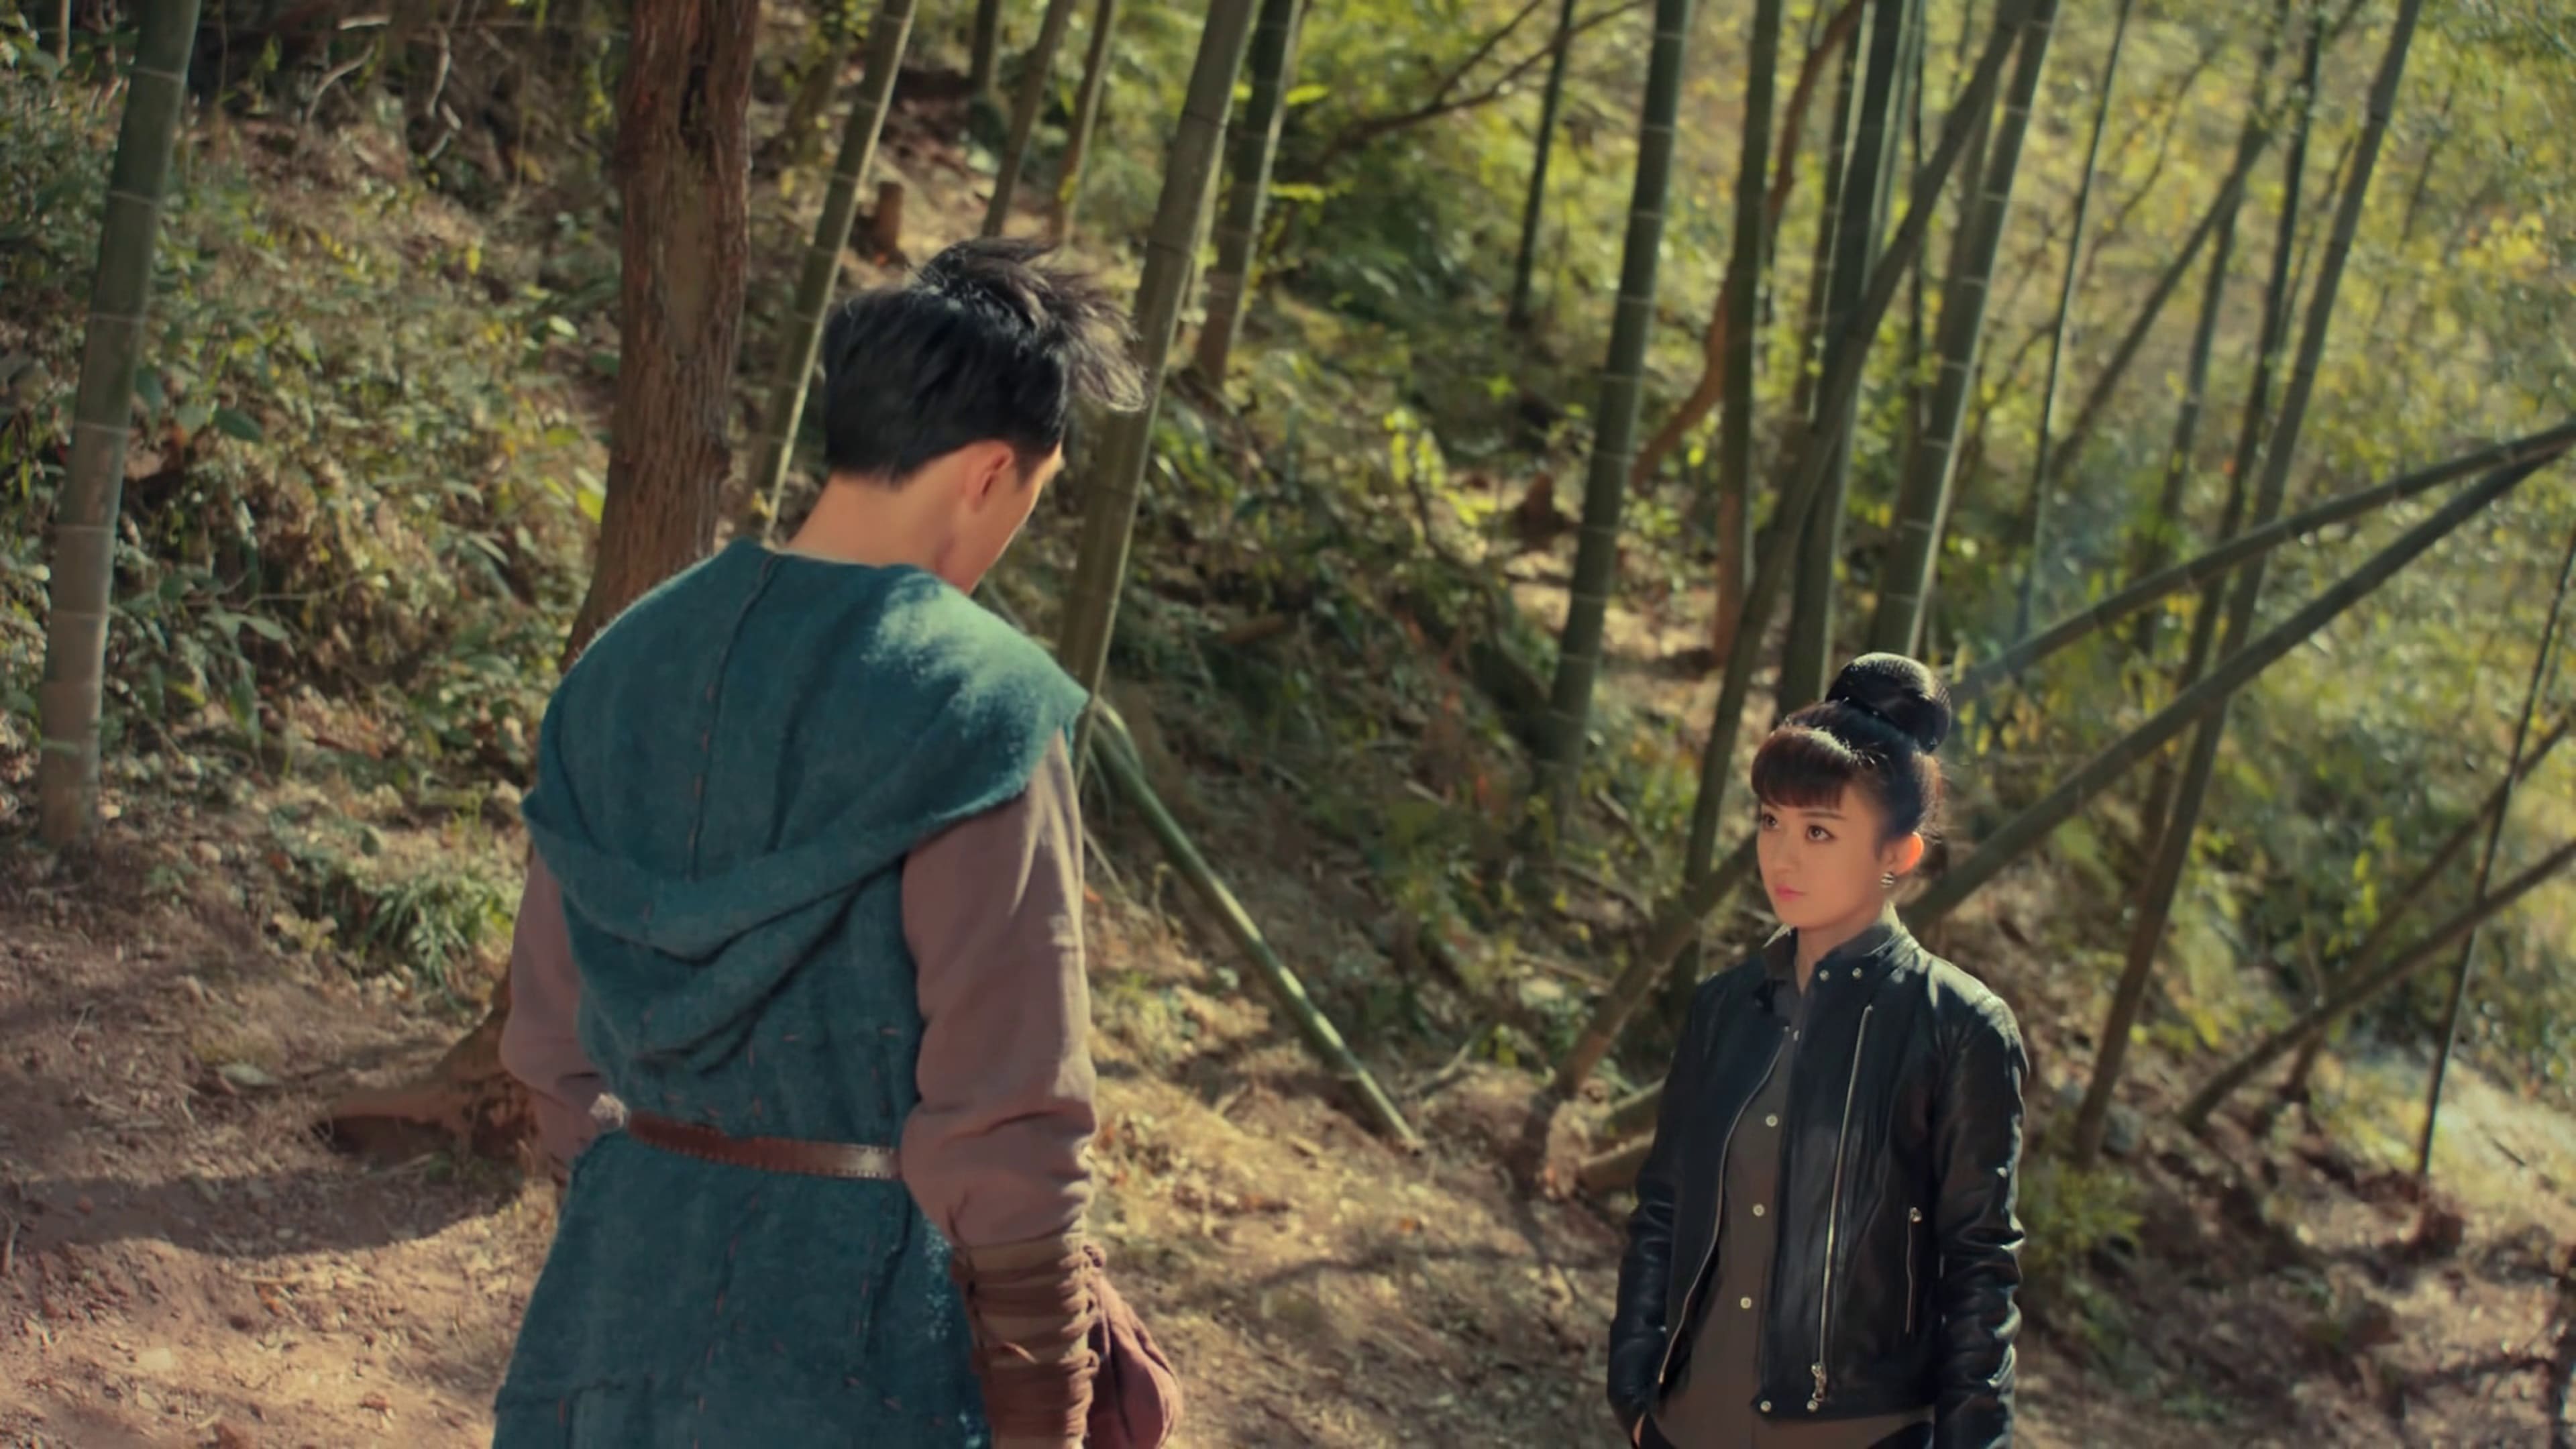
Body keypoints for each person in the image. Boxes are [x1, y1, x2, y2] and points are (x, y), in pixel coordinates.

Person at [490, 237, 1152, 1448]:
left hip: (605, 1319)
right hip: (863, 1354)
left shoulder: (622, 663)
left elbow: (547, 1040)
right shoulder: (980, 707)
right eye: (1036, 495)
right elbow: (1009, 1114)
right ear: (991, 473)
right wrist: (1047, 1409)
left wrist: (642, 1204)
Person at [1607, 654, 2027, 1449]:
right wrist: (1633, 1390)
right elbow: (1663, 1207)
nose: (1783, 856)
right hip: (1690, 1424)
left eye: (1820, 832)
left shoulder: (1960, 1027)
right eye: (1771, 821)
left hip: (1859, 1432)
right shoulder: (1727, 1008)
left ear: (1898, 854)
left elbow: (1980, 1263)